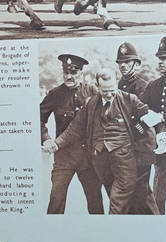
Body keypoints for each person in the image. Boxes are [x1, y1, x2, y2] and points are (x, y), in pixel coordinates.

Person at [44, 68, 156, 215]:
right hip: (101, 164)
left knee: (117, 203)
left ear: (116, 83)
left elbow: (153, 116)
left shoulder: (129, 99)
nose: (109, 95)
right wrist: (57, 143)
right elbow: (75, 128)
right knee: (119, 202)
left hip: (125, 162)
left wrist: (154, 134)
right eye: (105, 91)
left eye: (112, 90)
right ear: (97, 86)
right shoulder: (91, 103)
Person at [41, 53, 103, 214]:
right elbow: (37, 118)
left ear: (81, 73)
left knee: (95, 202)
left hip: (87, 158)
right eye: (66, 73)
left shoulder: (92, 91)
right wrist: (46, 139)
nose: (69, 76)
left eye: (73, 73)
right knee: (56, 200)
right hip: (63, 158)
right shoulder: (55, 94)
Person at [116, 42, 158, 215]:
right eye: (120, 62)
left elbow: (148, 118)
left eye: (127, 61)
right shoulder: (120, 84)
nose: (123, 65)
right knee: (138, 192)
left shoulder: (144, 86)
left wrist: (128, 133)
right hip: (130, 146)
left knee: (140, 192)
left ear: (136, 64)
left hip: (142, 145)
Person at [143, 35, 166, 215]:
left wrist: (162, 119)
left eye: (164, 58)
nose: (159, 62)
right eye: (159, 58)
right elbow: (142, 114)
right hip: (159, 152)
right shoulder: (153, 86)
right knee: (157, 198)